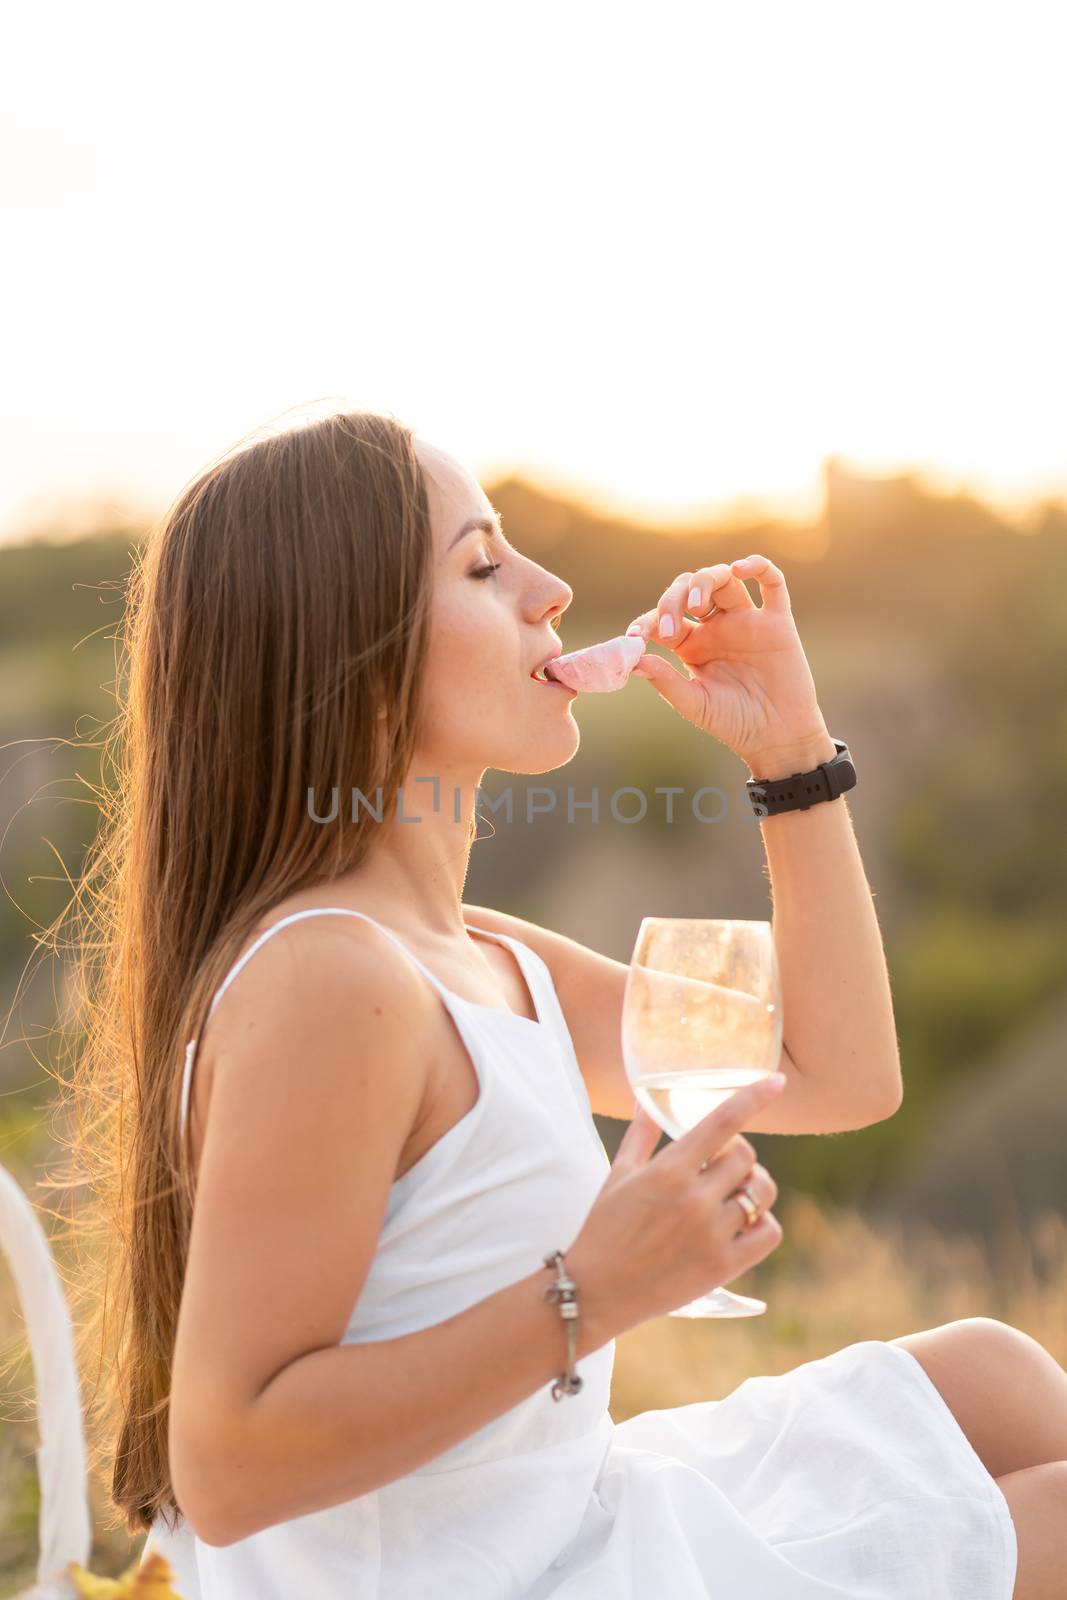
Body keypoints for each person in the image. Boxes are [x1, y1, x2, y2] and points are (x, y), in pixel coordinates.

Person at [58, 411, 1064, 1597]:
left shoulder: (468, 953)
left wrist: (789, 753)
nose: (551, 589)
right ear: (356, 662)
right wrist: (592, 1291)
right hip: (475, 1578)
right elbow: (227, 1466)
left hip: (549, 1517)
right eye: (484, 566)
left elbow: (837, 1072)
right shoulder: (332, 981)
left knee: (995, 1372)